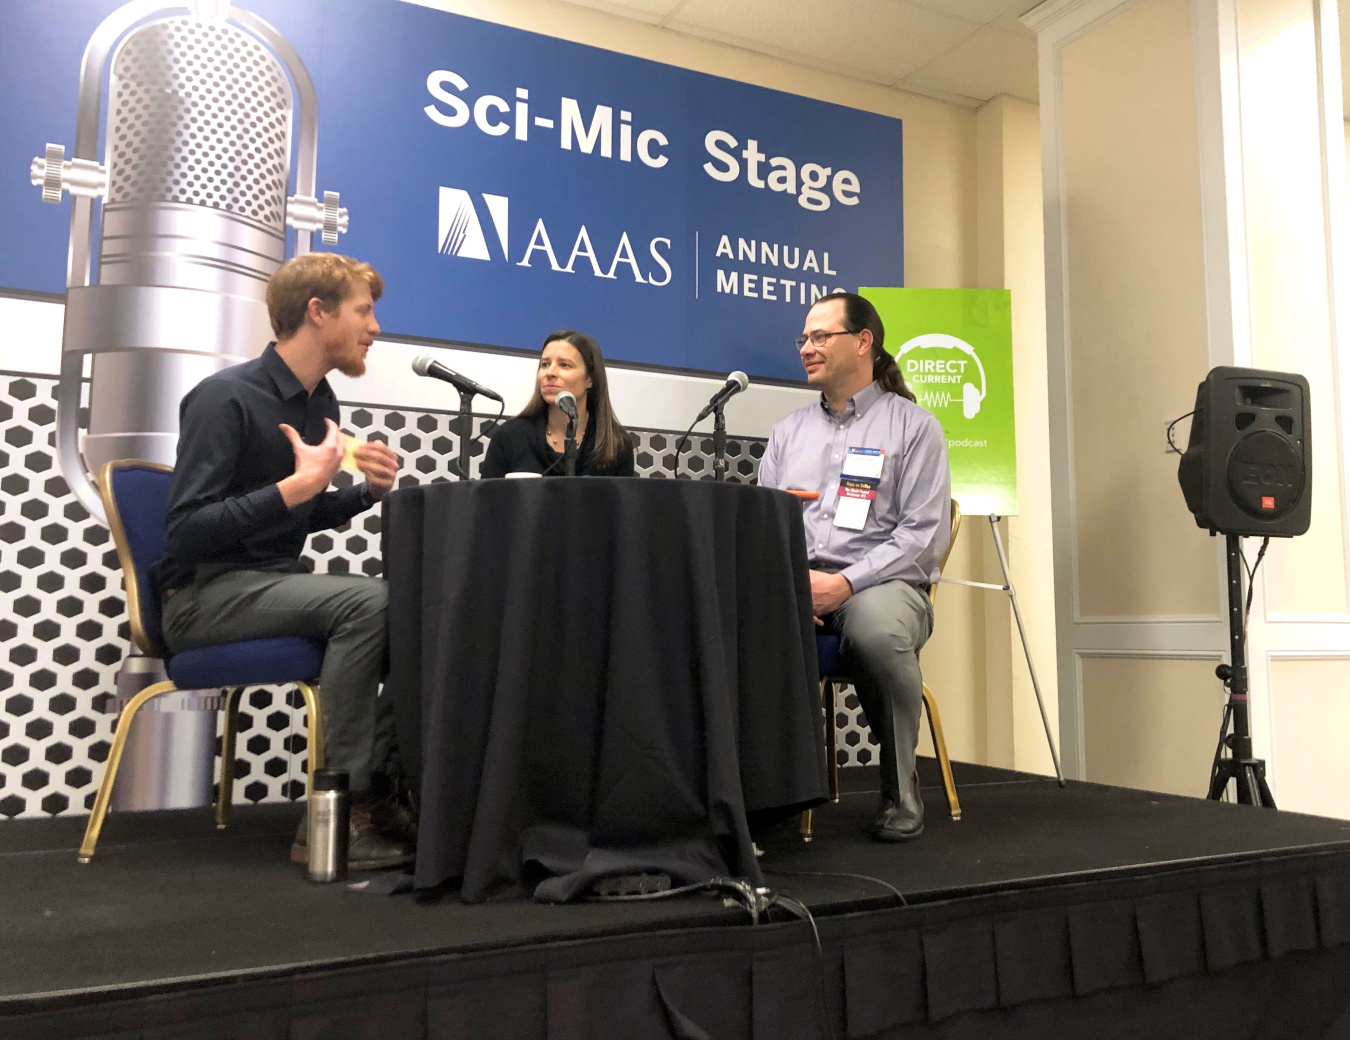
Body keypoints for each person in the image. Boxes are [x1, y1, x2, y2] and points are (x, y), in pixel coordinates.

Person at [153, 252, 413, 870]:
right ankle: (337, 815)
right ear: (318, 313)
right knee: (369, 601)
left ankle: (376, 793)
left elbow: (292, 516)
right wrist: (295, 488)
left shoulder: (319, 402)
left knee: (416, 607)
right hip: (199, 599)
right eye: (363, 311)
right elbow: (184, 533)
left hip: (269, 583)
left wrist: (359, 495)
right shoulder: (224, 398)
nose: (375, 328)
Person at [757, 292, 951, 842]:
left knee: (874, 630)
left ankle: (901, 790)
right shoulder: (788, 432)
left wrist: (842, 585)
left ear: (863, 342)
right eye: (803, 339)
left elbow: (920, 537)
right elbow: (765, 526)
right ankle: (760, 794)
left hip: (885, 586)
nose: (807, 348)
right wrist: (794, 588)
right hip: (801, 583)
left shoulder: (914, 428)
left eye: (821, 336)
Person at [480, 330, 636, 478]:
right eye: (545, 364)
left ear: (590, 379)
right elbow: (486, 502)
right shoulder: (509, 437)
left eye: (564, 365)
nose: (550, 373)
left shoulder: (615, 444)